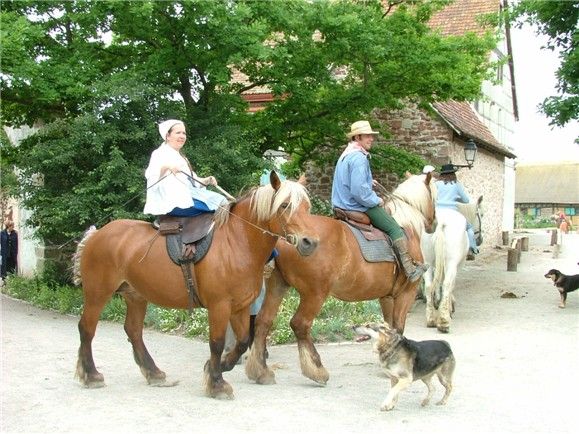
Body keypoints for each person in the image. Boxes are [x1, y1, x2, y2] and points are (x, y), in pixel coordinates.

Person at [331, 120, 428, 282]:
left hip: (340, 204)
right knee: (394, 229)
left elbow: (349, 181)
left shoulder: (345, 156)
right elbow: (360, 193)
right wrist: (377, 200)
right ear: (358, 137)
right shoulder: (359, 158)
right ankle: (409, 269)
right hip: (356, 205)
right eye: (367, 136)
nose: (371, 139)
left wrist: (368, 182)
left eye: (371, 136)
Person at [143, 119, 226, 217]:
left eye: (184, 133)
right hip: (172, 202)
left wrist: (207, 180)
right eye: (178, 133)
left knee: (222, 201)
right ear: (168, 136)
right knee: (220, 204)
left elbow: (193, 182)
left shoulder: (182, 158)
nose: (182, 136)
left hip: (189, 197)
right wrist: (166, 167)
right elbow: (152, 179)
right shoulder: (159, 153)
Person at [435, 163, 479, 259]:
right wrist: (456, 198)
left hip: (437, 211)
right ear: (453, 174)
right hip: (452, 212)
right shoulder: (456, 185)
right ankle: (472, 249)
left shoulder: (436, 184)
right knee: (469, 228)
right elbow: (466, 200)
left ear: (442, 174)